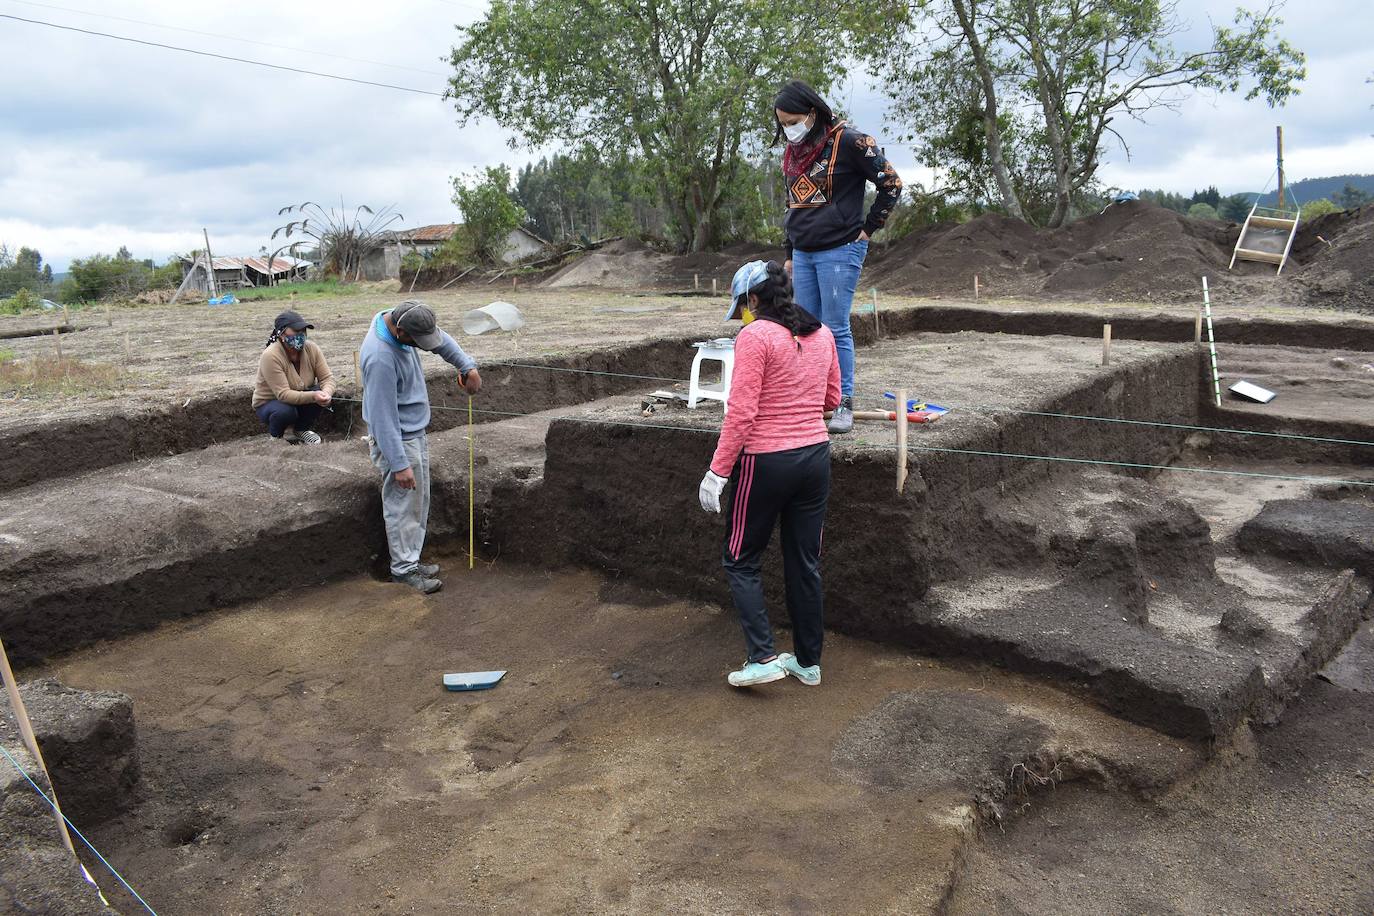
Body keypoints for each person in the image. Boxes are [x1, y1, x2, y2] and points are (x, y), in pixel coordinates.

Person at [698, 260, 840, 688]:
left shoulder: (755, 335)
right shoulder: (823, 334)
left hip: (766, 461)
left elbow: (741, 413)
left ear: (753, 299)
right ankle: (807, 663)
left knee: (740, 559)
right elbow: (832, 400)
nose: (743, 314)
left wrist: (717, 472)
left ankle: (762, 657)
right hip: (815, 458)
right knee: (805, 563)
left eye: (743, 305)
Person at [773, 79, 903, 434]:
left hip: (840, 249)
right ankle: (814, 400)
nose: (788, 129)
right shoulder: (794, 151)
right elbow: (793, 205)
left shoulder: (849, 141)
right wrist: (789, 252)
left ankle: (844, 401)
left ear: (812, 113)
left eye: (793, 120)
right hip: (803, 251)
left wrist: (868, 229)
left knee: (835, 327)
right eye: (782, 123)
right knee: (807, 328)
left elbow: (891, 183)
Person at [360, 299, 482, 594]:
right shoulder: (379, 359)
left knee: (416, 502)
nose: (424, 346)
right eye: (418, 341)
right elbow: (382, 418)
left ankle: (410, 560)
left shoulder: (404, 319)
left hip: (412, 431)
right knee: (403, 505)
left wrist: (466, 365)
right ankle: (403, 570)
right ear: (401, 332)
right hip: (398, 438)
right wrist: (399, 463)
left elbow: (440, 340)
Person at [252, 309, 335, 444]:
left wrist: (326, 393)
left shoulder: (312, 349)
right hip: (271, 404)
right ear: (281, 334)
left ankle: (301, 430)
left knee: (320, 389)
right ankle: (276, 438)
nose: (301, 335)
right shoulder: (270, 355)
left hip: (298, 398)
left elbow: (327, 378)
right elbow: (283, 395)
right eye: (296, 332)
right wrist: (314, 396)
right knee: (285, 411)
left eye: (303, 331)